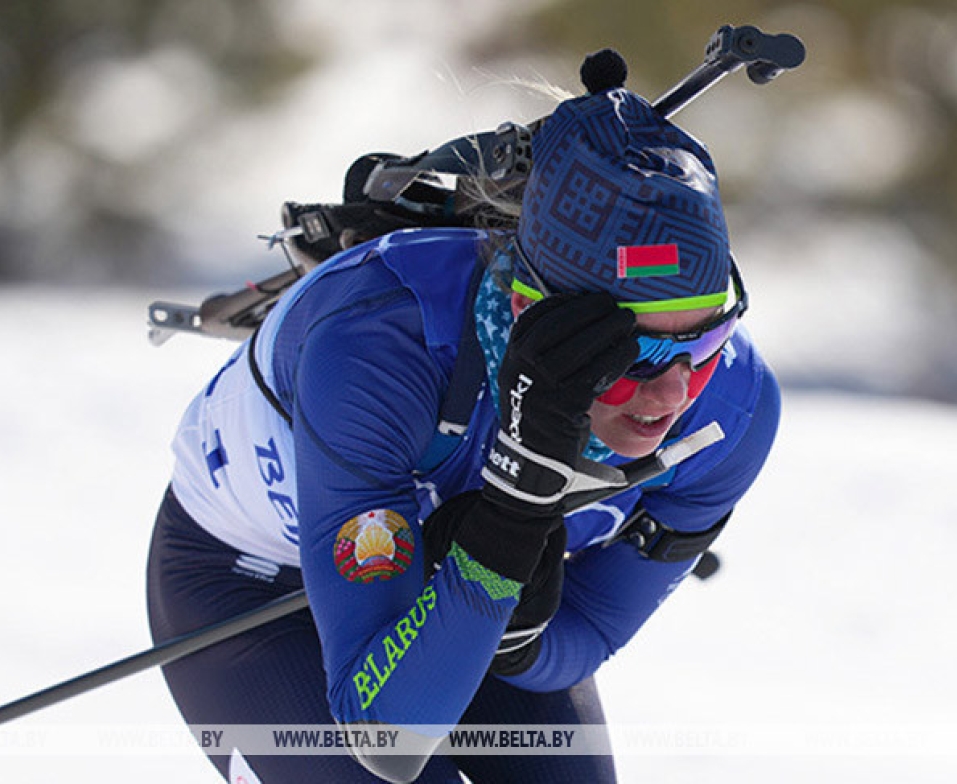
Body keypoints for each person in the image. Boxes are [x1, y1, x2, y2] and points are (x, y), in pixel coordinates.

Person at [146, 58, 781, 784]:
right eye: (634, 352)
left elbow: (592, 630)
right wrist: (511, 517)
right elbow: (384, 735)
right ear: (525, 309)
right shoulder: (381, 346)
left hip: (458, 587)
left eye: (704, 343)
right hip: (255, 584)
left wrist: (522, 638)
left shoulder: (735, 409)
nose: (673, 394)